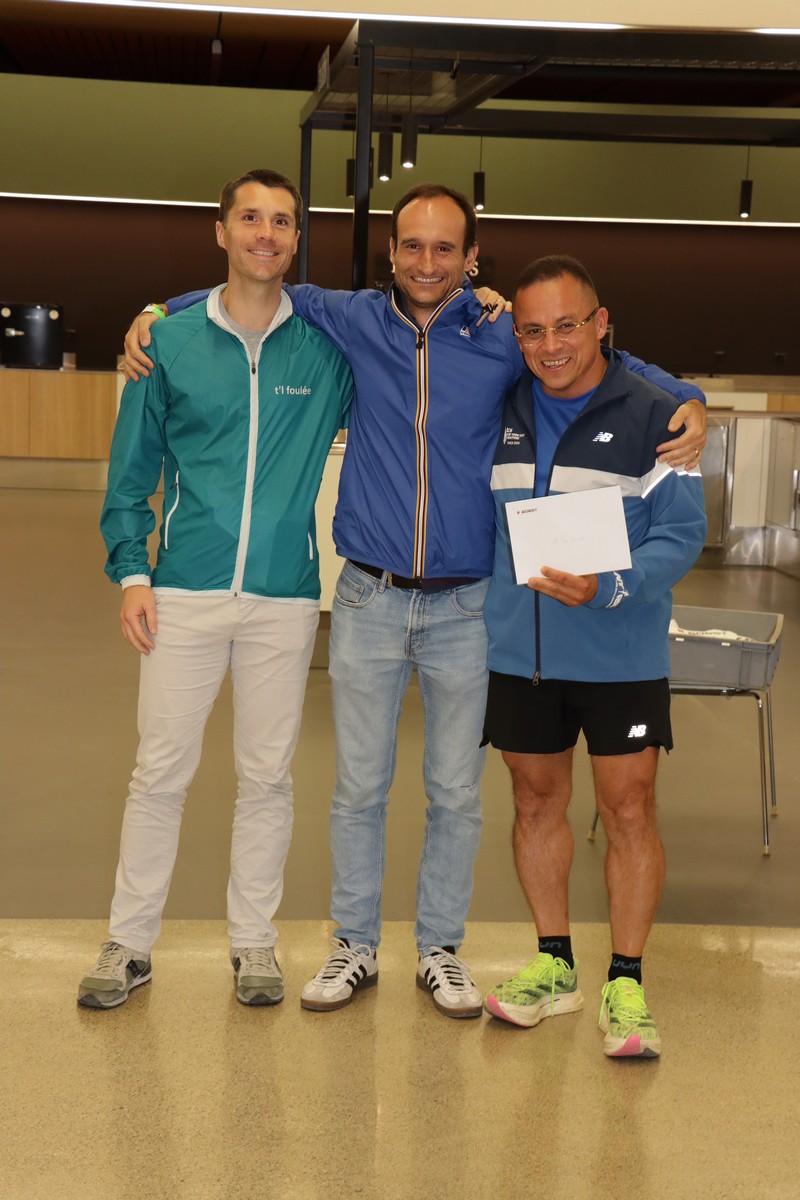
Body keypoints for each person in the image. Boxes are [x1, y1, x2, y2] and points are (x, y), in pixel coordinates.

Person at [122, 185, 707, 1020]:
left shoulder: (504, 333)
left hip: (468, 604)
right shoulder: (351, 318)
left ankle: (440, 949)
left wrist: (686, 397)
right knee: (358, 788)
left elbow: (593, 357)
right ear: (390, 254)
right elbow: (253, 285)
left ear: (471, 258)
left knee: (456, 794)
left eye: (445, 248)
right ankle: (354, 945)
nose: (427, 263)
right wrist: (154, 312)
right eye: (412, 247)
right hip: (368, 596)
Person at [77, 169, 353, 1010]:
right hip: (183, 592)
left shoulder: (328, 349)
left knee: (267, 776)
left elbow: (417, 339)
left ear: (297, 240)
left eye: (283, 222)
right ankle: (129, 943)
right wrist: (133, 572)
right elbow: (131, 471)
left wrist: (483, 299)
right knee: (159, 772)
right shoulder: (167, 342)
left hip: (284, 596)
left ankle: (255, 943)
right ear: (222, 230)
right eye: (251, 218)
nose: (266, 234)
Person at [481, 255, 706, 1057]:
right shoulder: (500, 403)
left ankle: (627, 982)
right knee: (535, 805)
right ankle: (554, 966)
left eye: (567, 326)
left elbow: (682, 534)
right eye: (533, 331)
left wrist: (612, 586)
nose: (551, 345)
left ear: (602, 323)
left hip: (621, 653)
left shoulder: (658, 416)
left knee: (629, 811)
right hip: (522, 652)